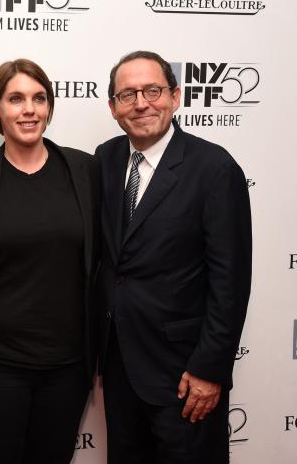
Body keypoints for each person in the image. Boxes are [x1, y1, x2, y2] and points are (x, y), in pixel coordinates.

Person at [95, 50, 252, 464]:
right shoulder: (106, 160)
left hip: (185, 377)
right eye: (127, 95)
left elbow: (230, 283)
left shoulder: (214, 169)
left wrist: (210, 370)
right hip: (120, 369)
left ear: (176, 96)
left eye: (152, 90)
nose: (141, 103)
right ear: (113, 108)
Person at [0, 59, 101, 463]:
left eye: (39, 98)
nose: (30, 109)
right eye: (16, 98)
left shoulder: (85, 170)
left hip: (67, 370)